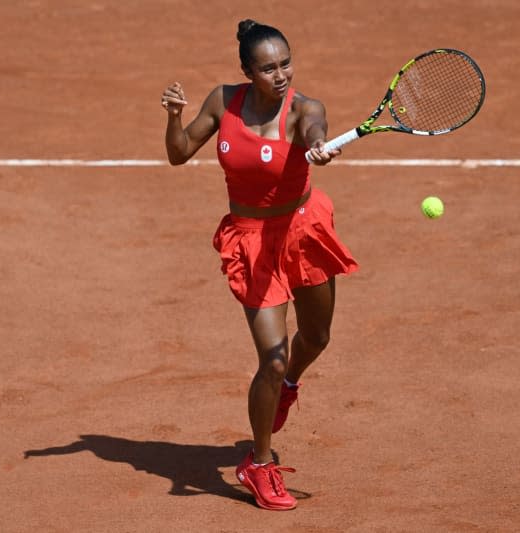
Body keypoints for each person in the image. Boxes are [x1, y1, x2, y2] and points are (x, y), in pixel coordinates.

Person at [161, 19, 358, 511]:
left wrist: (317, 144)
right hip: (252, 243)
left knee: (315, 338)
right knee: (270, 357)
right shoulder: (222, 102)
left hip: (302, 231)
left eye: (285, 63)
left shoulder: (306, 110)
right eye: (268, 68)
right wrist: (173, 116)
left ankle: (290, 383)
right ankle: (259, 464)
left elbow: (314, 127)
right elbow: (180, 153)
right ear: (246, 70)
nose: (281, 74)